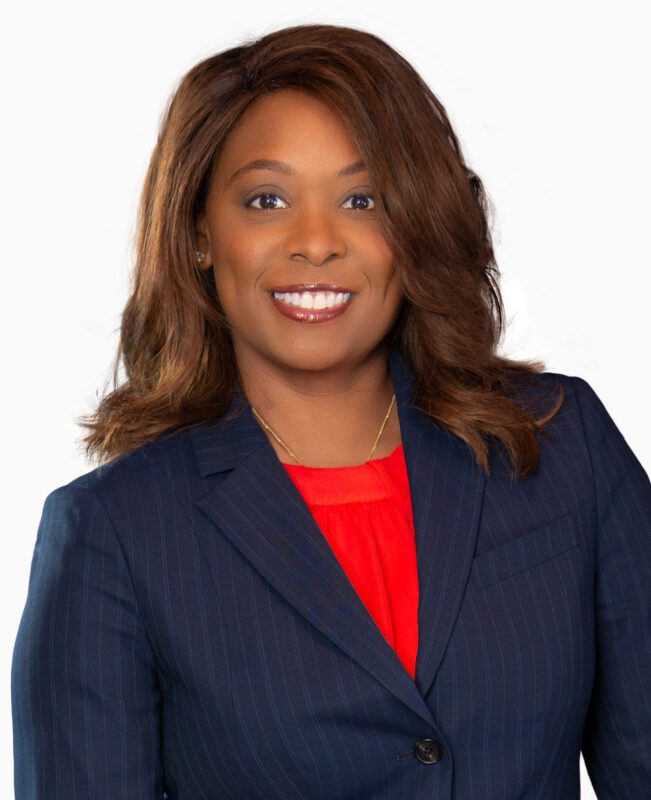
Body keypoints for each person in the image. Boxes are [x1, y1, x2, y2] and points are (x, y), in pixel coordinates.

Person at [11, 22, 651, 800]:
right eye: (266, 199)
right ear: (200, 233)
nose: (315, 243)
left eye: (361, 199)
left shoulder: (560, 442)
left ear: (412, 225)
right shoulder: (115, 530)